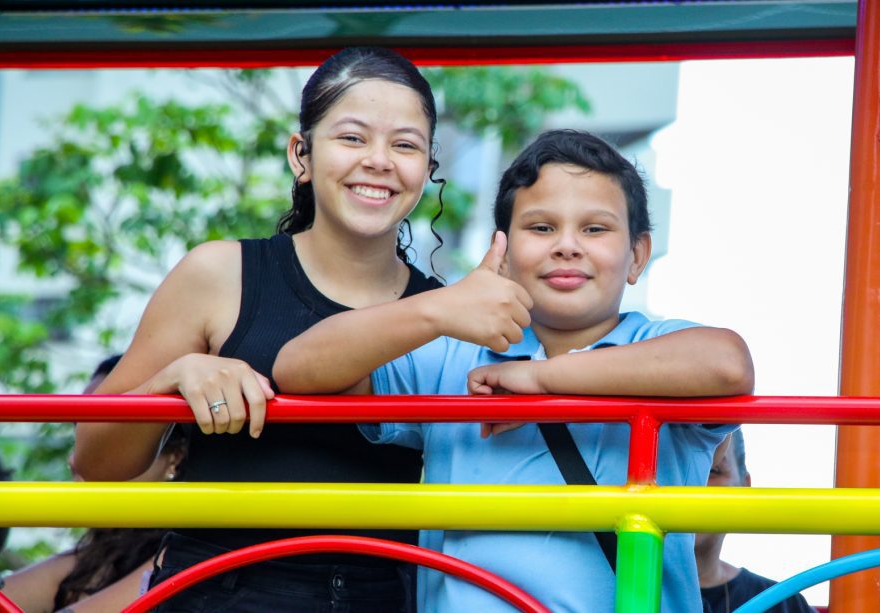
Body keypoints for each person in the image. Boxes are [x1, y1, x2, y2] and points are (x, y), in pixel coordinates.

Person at [274, 129, 756, 612]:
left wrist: (543, 380)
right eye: (541, 228)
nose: (567, 246)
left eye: (595, 229)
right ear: (501, 254)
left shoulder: (653, 349)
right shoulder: (456, 356)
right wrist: (438, 308)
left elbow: (727, 363)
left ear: (637, 256)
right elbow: (297, 369)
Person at [72, 47, 445, 611]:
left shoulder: (444, 313)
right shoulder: (218, 274)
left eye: (405, 145)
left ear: (428, 166)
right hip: (215, 591)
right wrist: (175, 377)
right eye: (352, 138)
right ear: (302, 155)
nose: (379, 161)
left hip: (382, 597)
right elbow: (96, 463)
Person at [0, 356, 187, 613]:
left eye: (107, 437)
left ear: (175, 456)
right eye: (80, 433)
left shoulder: (183, 553)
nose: (75, 460)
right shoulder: (97, 555)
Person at [697, 430, 816, 613]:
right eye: (668, 473)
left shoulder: (783, 604)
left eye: (713, 471)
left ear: (744, 488)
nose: (690, 486)